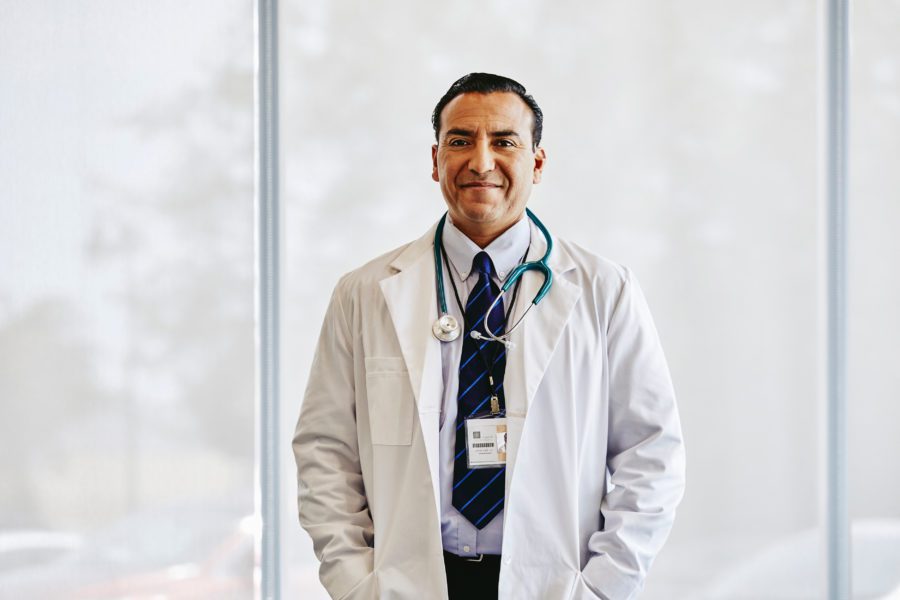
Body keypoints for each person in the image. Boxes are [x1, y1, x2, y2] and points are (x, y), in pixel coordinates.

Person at [293, 72, 685, 600]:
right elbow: (326, 451)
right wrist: (356, 581)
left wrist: (603, 586)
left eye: (504, 141)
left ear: (536, 163)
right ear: (435, 161)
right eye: (460, 141)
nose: (480, 162)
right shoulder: (363, 294)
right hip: (409, 583)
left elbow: (651, 451)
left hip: (551, 581)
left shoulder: (604, 290)